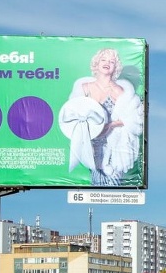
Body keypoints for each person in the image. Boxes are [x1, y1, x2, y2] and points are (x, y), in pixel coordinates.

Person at [58, 48, 143, 186]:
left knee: (112, 184)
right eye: (103, 60)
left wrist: (110, 126)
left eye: (112, 61)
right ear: (96, 63)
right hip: (90, 147)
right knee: (95, 181)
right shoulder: (84, 88)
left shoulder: (119, 91)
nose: (107, 63)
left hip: (113, 150)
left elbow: (128, 120)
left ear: (116, 67)